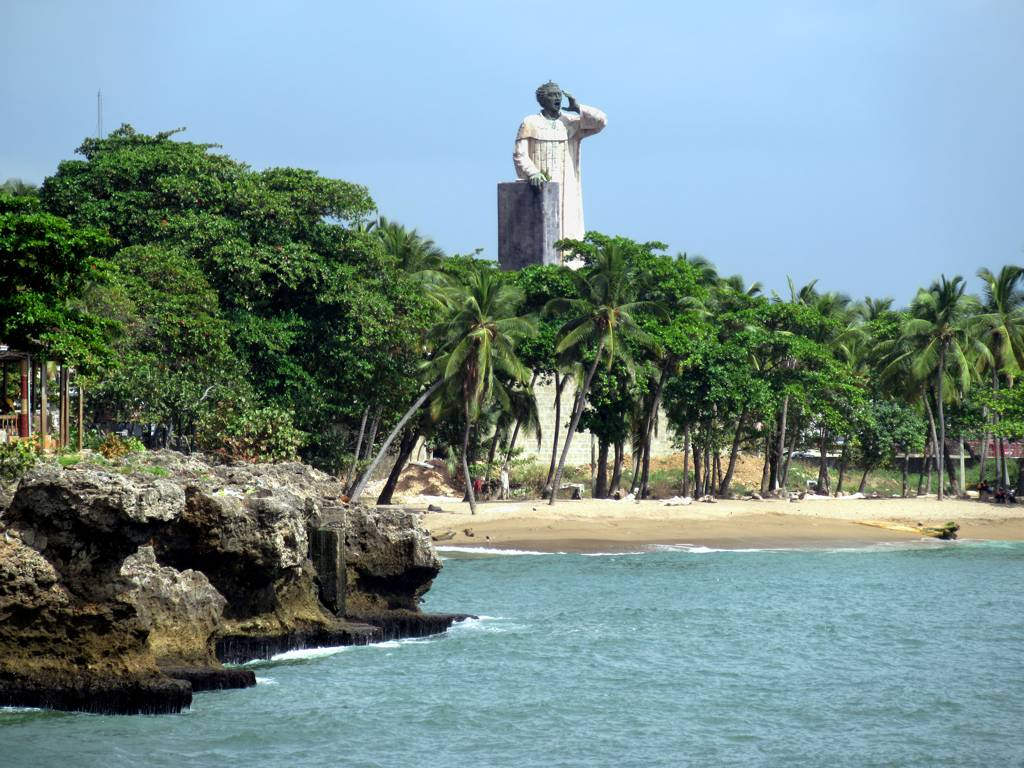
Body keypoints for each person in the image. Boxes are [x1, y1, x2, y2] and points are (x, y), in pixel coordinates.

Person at [513, 81, 606, 247]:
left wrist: (577, 107)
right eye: (552, 95)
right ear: (542, 100)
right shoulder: (530, 122)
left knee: (569, 229)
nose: (557, 98)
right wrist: (532, 173)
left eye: (558, 95)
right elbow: (520, 154)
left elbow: (601, 121)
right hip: (540, 183)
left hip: (568, 185)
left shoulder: (570, 121)